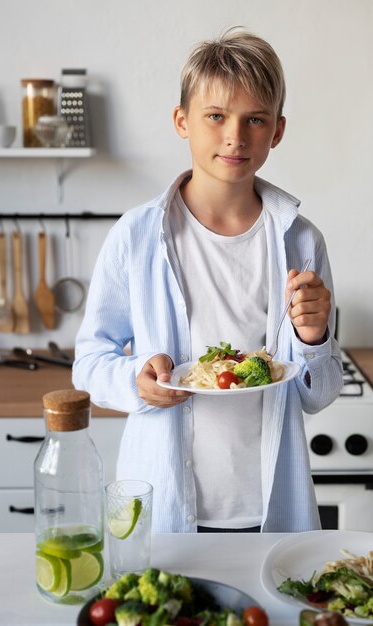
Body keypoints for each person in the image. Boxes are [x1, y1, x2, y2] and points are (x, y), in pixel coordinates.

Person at [73, 27, 343, 533]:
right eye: (216, 116)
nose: (234, 136)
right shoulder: (137, 236)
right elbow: (89, 361)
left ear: (277, 131)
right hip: (164, 506)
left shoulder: (302, 241)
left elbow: (318, 395)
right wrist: (136, 381)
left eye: (254, 120)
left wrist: (314, 338)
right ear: (183, 121)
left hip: (268, 505)